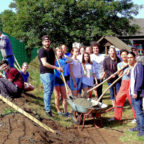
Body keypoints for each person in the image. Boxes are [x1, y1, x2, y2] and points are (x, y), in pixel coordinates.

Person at [38, 35, 63, 117]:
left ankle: (47, 107)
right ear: (42, 42)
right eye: (45, 41)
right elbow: (45, 63)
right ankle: (48, 110)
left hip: (51, 73)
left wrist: (55, 53)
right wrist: (56, 68)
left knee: (50, 92)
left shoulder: (52, 51)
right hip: (45, 73)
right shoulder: (42, 51)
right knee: (48, 92)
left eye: (48, 41)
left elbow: (54, 61)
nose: (47, 42)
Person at [109, 49, 136, 123]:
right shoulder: (119, 64)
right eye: (122, 55)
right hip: (123, 83)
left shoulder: (132, 63)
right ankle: (117, 117)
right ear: (120, 56)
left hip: (131, 83)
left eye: (125, 54)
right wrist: (122, 68)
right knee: (118, 99)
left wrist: (130, 68)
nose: (124, 56)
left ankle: (136, 118)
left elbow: (136, 70)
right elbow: (120, 75)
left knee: (132, 101)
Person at [128, 52, 144, 137]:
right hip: (132, 92)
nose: (129, 59)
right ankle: (138, 127)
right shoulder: (134, 67)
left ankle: (142, 130)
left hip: (136, 93)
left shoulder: (139, 66)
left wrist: (136, 91)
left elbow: (140, 80)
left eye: (131, 57)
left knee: (139, 112)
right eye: (128, 57)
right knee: (136, 111)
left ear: (135, 58)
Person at [54, 47, 69, 117]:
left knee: (64, 96)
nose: (60, 53)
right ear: (56, 52)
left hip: (62, 79)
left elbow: (70, 60)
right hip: (56, 79)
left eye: (61, 51)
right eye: (58, 51)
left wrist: (65, 55)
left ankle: (65, 111)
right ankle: (58, 110)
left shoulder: (63, 60)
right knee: (57, 96)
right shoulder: (54, 60)